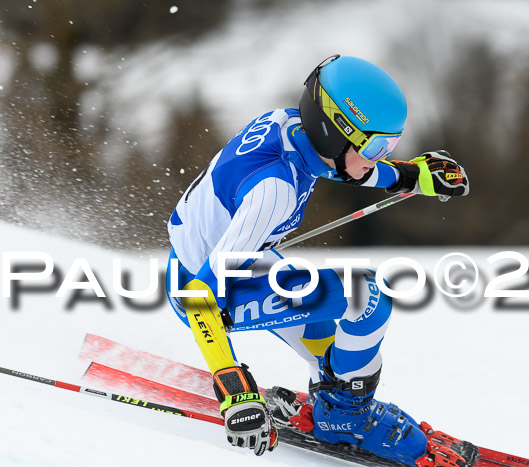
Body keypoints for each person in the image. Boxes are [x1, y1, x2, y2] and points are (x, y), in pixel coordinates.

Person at [165, 54, 469, 465]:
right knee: (367, 297)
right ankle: (347, 419)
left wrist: (407, 176)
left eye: (390, 145)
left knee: (336, 359)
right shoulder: (274, 191)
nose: (380, 156)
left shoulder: (289, 126)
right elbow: (201, 295)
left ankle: (334, 409)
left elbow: (338, 166)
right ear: (335, 132)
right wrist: (234, 392)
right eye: (376, 145)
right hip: (201, 288)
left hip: (237, 264)